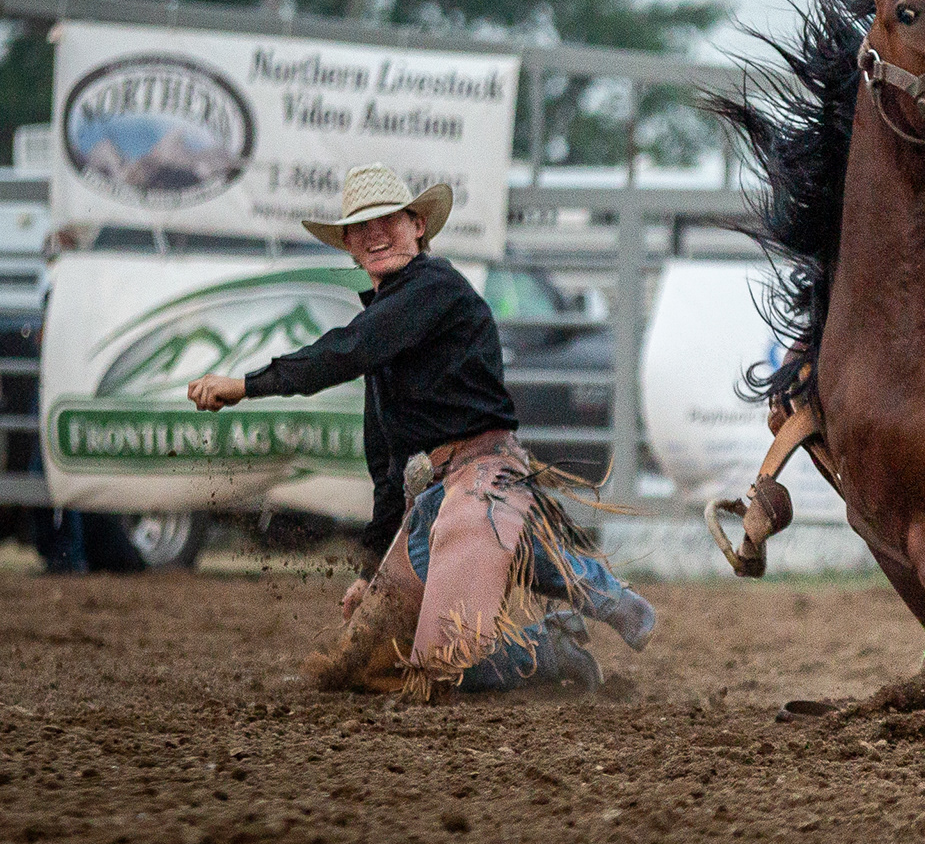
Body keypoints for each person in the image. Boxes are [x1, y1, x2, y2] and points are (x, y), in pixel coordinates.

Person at [188, 163, 655, 698]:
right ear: (349, 245)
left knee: (437, 661)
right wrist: (369, 572)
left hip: (481, 477)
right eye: (361, 227)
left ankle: (572, 626)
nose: (375, 233)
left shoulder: (431, 288)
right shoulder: (389, 324)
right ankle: (582, 618)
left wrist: (247, 385)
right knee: (374, 662)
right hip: (442, 495)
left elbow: (347, 350)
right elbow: (387, 467)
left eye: (388, 219)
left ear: (417, 226)